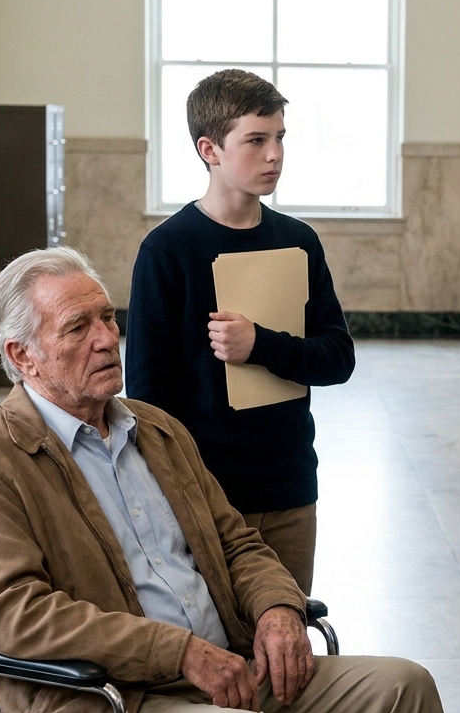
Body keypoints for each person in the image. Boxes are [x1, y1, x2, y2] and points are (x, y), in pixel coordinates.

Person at [0, 248, 453, 713]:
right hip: (112, 702)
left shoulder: (156, 430)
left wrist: (278, 606)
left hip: (229, 667)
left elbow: (236, 543)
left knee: (403, 689)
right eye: (78, 328)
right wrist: (179, 652)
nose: (106, 338)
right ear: (22, 356)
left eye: (107, 318)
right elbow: (17, 615)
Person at [127, 69, 355, 596]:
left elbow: (338, 358)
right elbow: (147, 399)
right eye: (256, 140)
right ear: (209, 149)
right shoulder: (166, 251)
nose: (274, 154)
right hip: (208, 496)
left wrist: (260, 345)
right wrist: (176, 497)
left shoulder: (299, 241)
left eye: (280, 137)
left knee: (287, 633)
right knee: (218, 639)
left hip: (290, 485)